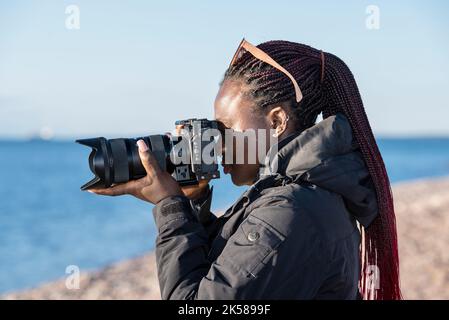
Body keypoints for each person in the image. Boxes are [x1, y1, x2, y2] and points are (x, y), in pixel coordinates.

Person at [91, 39, 401, 300]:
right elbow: (231, 269)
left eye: (225, 129)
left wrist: (170, 209)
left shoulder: (291, 211)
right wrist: (190, 206)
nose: (217, 143)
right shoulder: (302, 193)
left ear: (277, 122)